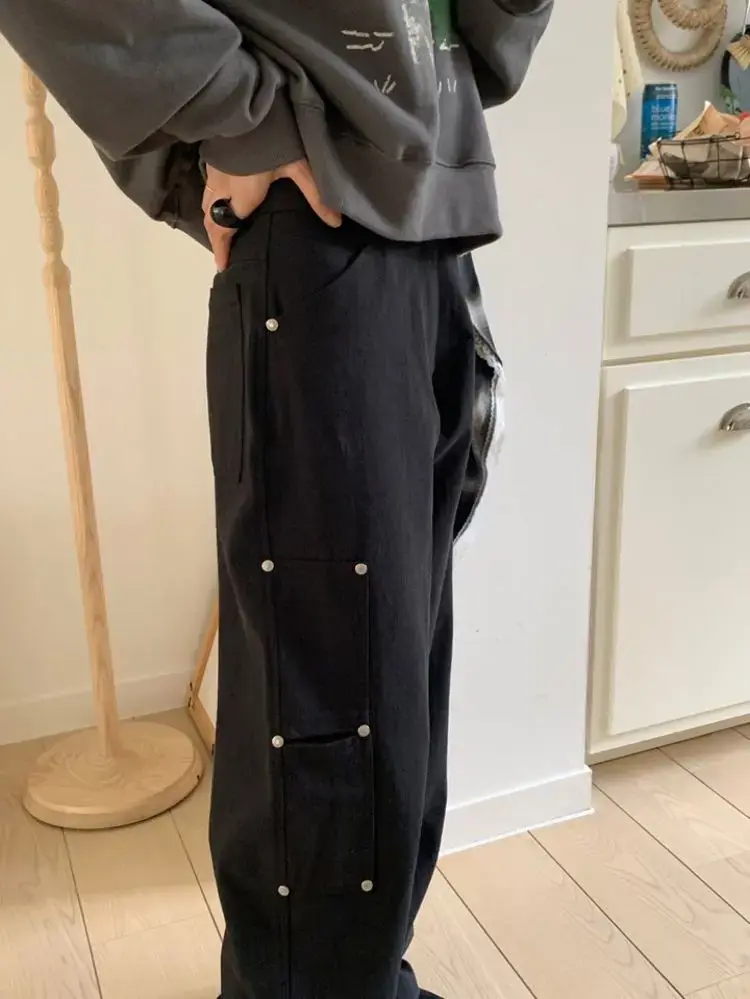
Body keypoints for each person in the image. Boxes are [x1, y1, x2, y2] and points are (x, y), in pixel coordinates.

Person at [0, 2, 552, 997]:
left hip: (428, 209)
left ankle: (367, 978)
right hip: (318, 210)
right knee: (330, 689)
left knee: (396, 684)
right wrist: (239, 117)